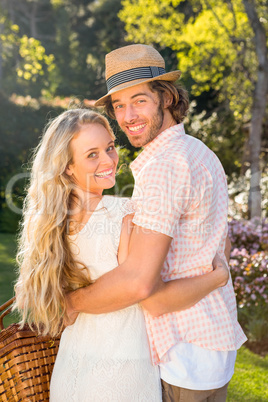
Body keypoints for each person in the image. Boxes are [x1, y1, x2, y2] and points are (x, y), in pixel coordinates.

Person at [65, 44, 247, 402]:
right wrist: (217, 275)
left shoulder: (164, 165)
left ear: (165, 97)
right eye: (118, 105)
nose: (127, 115)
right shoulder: (200, 153)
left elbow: (142, 288)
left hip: (184, 352)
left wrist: (71, 303)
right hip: (214, 346)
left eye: (139, 101)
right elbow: (220, 244)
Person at [14, 108, 230, 402]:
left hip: (72, 369)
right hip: (125, 371)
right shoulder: (125, 215)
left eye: (110, 147)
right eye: (92, 154)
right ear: (67, 166)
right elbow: (147, 286)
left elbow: (36, 298)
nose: (108, 160)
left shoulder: (47, 226)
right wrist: (217, 276)